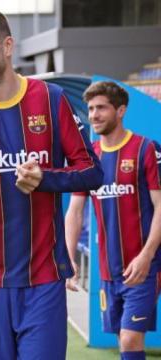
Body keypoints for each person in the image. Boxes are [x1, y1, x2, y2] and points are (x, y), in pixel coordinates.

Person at [0, 8, 103, 360]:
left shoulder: (51, 99)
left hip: (42, 280)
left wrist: (44, 178)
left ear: (8, 45)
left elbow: (92, 171)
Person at [65, 81, 161, 360]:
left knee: (131, 339)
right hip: (108, 269)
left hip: (144, 266)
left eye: (101, 108)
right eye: (91, 108)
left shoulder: (146, 150)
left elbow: (160, 207)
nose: (94, 115)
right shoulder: (88, 157)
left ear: (120, 110)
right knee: (124, 340)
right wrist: (68, 257)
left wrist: (147, 255)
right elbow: (75, 210)